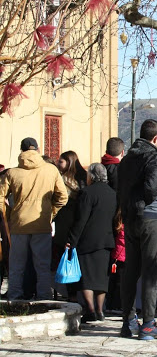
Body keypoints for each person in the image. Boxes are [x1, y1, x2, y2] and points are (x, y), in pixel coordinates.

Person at [0, 137, 68, 300]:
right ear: (38, 150)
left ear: (21, 151)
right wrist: (50, 213)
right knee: (42, 265)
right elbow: (62, 197)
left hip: (19, 224)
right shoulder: (51, 170)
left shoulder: (12, 173)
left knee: (17, 265)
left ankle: (15, 296)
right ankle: (44, 297)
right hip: (41, 223)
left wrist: (10, 214)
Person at [118, 119, 157, 340]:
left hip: (130, 218)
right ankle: (148, 324)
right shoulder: (154, 157)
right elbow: (152, 187)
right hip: (151, 217)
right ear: (156, 138)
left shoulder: (127, 158)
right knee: (151, 270)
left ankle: (128, 321)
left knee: (131, 271)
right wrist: (145, 199)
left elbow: (120, 187)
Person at [66, 163, 117, 323]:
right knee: (101, 278)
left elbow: (81, 220)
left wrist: (72, 240)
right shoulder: (112, 193)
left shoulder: (87, 193)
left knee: (87, 278)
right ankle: (101, 310)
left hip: (87, 241)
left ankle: (90, 310)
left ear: (92, 176)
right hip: (107, 240)